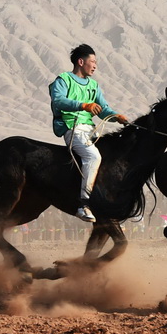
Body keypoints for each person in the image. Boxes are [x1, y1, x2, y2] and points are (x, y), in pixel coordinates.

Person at [49, 44, 129, 223]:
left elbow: (103, 109)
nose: (95, 66)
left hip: (89, 131)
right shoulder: (63, 80)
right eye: (92, 62)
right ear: (80, 61)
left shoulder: (94, 85)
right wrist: (83, 105)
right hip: (72, 128)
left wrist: (116, 116)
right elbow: (59, 100)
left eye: (96, 63)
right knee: (93, 157)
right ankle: (84, 205)